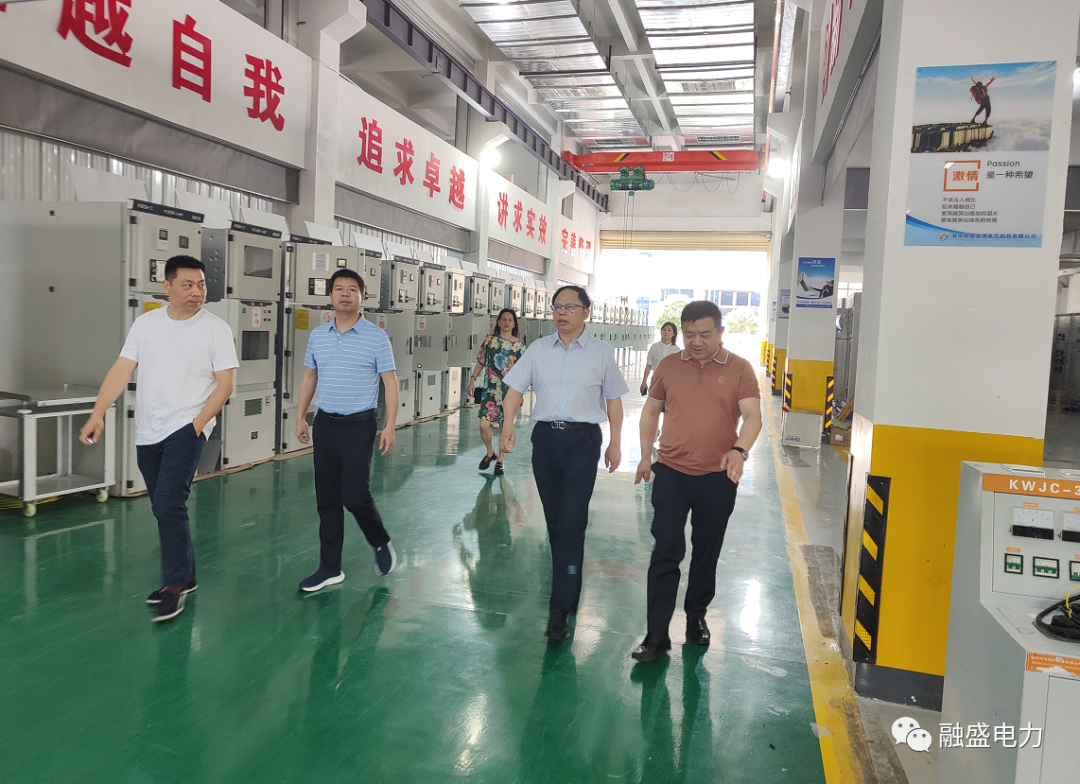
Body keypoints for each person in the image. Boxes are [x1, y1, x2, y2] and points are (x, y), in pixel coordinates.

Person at [79, 256, 238, 622]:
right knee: (163, 506)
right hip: (149, 430)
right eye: (188, 284)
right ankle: (187, 576)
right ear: (167, 286)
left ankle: (174, 585)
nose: (197, 292)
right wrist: (98, 413)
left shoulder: (216, 329)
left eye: (201, 285)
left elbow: (225, 384)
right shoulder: (146, 324)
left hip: (187, 427)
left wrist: (197, 425)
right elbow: (121, 371)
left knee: (168, 503)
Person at [631, 300, 762, 662]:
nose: (696, 341)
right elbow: (651, 411)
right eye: (689, 334)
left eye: (705, 334)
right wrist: (645, 455)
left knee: (706, 550)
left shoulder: (740, 368)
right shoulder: (669, 365)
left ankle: (696, 616)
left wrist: (740, 450)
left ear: (720, 332)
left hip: (718, 477)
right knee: (665, 550)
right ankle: (656, 634)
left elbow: (752, 416)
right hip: (671, 472)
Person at [499, 285, 629, 641]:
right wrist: (507, 425)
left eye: (570, 307)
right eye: (557, 307)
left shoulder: (601, 353)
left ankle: (560, 608)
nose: (561, 313)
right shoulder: (538, 349)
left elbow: (614, 401)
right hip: (546, 441)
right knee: (556, 523)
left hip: (583, 442)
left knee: (572, 522)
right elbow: (514, 391)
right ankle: (567, 583)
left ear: (586, 312)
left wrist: (616, 442)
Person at [294, 268, 399, 592]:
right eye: (339, 288)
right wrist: (300, 417)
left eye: (352, 289)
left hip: (359, 425)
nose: (345, 294)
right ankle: (330, 568)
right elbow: (310, 376)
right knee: (326, 498)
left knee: (354, 495)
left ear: (361, 297)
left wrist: (390, 426)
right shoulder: (318, 335)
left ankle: (380, 540)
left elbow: (390, 383)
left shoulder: (376, 337)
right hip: (325, 424)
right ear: (330, 296)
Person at [470, 308, 525, 475]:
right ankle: (490, 453)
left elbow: (523, 372)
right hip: (490, 389)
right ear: (499, 322)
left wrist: (521, 393)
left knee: (504, 427)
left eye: (510, 320)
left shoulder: (519, 346)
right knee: (483, 424)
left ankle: (500, 460)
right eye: (504, 319)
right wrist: (472, 379)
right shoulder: (490, 341)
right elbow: (481, 361)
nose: (507, 322)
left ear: (514, 324)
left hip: (510, 392)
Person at [639, 321, 680, 395]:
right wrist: (644, 382)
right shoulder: (654, 347)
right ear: (661, 332)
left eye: (669, 330)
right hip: (656, 378)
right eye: (664, 330)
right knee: (655, 399)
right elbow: (649, 365)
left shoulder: (676, 350)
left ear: (673, 333)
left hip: (670, 380)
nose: (666, 332)